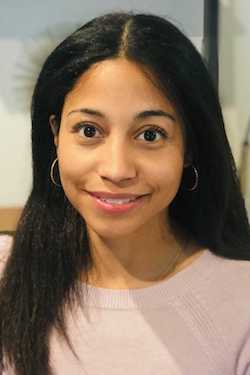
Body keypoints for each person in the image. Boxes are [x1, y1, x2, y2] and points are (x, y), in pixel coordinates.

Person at [0, 11, 250, 375]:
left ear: (189, 148)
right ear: (56, 136)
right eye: (89, 130)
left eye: (150, 134)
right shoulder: (7, 273)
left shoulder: (240, 299)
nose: (117, 170)